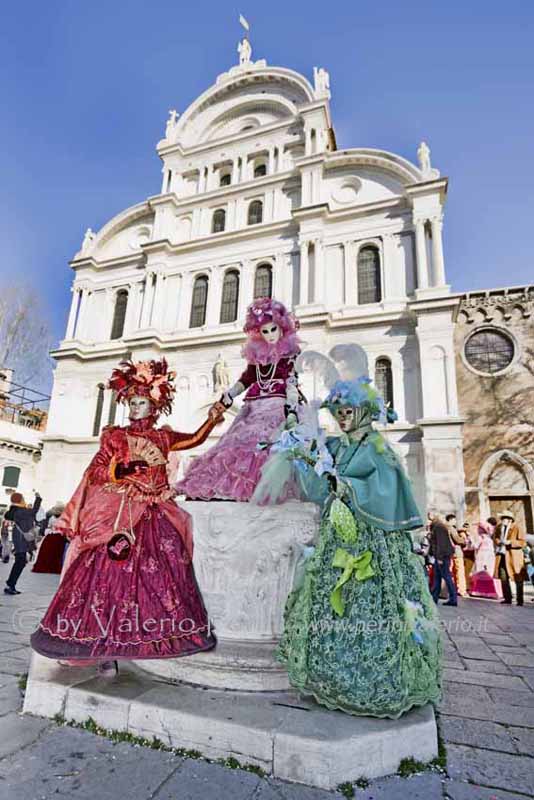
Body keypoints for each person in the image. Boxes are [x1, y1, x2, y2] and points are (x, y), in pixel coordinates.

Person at [261, 377, 441, 718]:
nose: (342, 418)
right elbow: (319, 484)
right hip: (338, 538)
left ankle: (377, 678)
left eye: (348, 411)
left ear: (363, 412)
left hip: (373, 540)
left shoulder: (378, 449)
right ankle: (337, 676)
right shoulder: (338, 448)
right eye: (338, 412)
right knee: (336, 603)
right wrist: (302, 451)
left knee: (371, 605)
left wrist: (347, 487)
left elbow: (386, 488)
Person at [31, 359, 225, 674]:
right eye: (132, 403)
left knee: (163, 574)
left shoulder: (163, 438)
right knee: (107, 580)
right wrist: (119, 470)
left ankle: (158, 637)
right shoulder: (115, 437)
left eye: (142, 403)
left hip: (154, 513)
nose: (135, 408)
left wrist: (213, 419)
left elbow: (194, 440)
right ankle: (102, 646)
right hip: (118, 516)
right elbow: (95, 470)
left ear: (154, 405)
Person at [176, 298, 304, 501]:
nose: (270, 335)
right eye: (265, 331)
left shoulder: (289, 357)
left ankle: (262, 492)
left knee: (264, 448)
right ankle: (224, 491)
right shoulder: (257, 359)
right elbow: (246, 380)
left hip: (277, 408)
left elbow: (292, 383)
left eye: (273, 330)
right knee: (233, 446)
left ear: (282, 329)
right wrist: (228, 395)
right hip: (253, 408)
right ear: (258, 333)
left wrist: (292, 409)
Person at [4, 492, 42, 594]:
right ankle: (11, 584)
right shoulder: (21, 511)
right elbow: (34, 511)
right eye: (23, 498)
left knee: (20, 561)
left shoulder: (14, 510)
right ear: (20, 500)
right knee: (20, 561)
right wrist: (38, 498)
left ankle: (11, 584)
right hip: (21, 538)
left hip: (19, 537)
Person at [494, 511, 527, 606]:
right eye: (502, 518)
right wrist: (498, 541)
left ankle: (520, 600)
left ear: (509, 520)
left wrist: (510, 542)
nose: (502, 520)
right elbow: (495, 538)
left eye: (504, 518)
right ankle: (507, 598)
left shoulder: (517, 527)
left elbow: (523, 542)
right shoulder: (499, 528)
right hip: (501, 555)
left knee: (518, 577)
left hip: (513, 556)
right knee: (503, 577)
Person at [429, 512, 457, 606]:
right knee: (437, 578)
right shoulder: (437, 526)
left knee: (447, 577)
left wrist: (439, 558)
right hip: (440, 555)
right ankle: (434, 598)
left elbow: (441, 543)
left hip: (442, 556)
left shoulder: (439, 527)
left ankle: (453, 599)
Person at [468, 521, 501, 600]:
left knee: (480, 575)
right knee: (487, 576)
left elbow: (475, 546)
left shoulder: (481, 537)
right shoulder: (489, 539)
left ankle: (478, 591)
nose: (477, 530)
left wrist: (470, 539)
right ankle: (489, 592)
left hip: (481, 558)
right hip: (489, 559)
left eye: (479, 528)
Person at [32, 503, 67, 574]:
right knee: (57, 553)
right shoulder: (64, 518)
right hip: (59, 537)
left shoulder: (52, 517)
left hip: (51, 535)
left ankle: (45, 567)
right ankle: (53, 567)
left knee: (47, 551)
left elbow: (50, 526)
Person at [446, 513, 467, 597]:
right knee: (459, 571)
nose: (455, 522)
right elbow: (457, 540)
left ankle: (452, 588)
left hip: (449, 552)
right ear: (450, 520)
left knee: (451, 571)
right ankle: (462, 590)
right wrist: (464, 539)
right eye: (454, 520)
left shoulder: (445, 528)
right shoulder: (451, 528)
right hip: (456, 552)